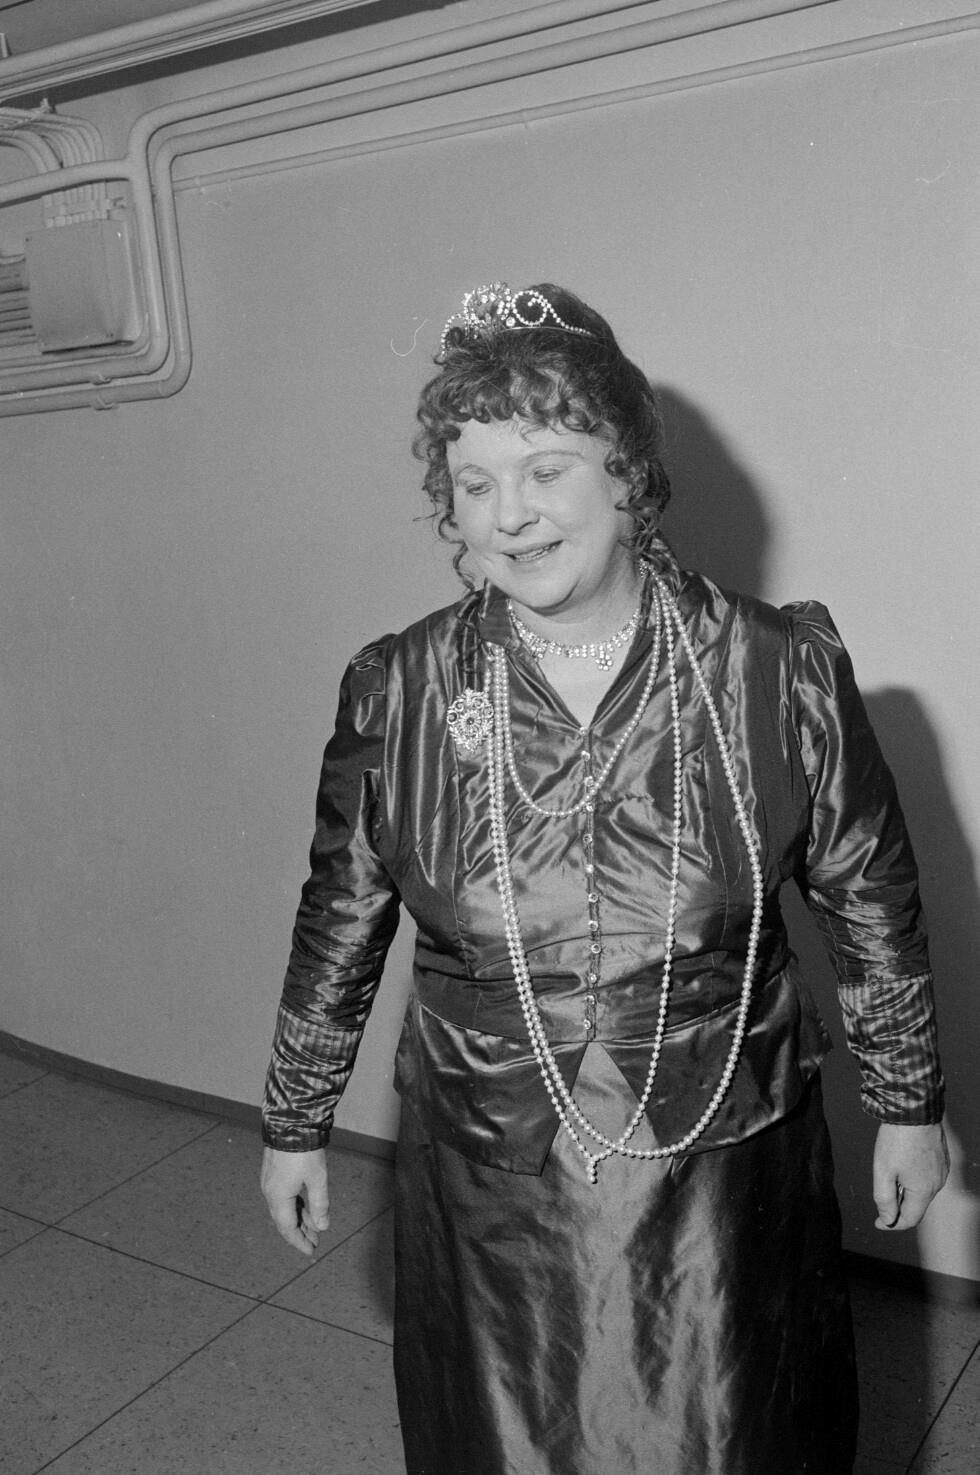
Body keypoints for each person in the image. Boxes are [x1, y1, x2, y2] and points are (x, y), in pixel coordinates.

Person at [260, 281, 948, 1475]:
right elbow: (340, 915)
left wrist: (907, 1101)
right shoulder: (401, 687)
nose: (509, 514)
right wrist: (292, 1122)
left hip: (720, 1180)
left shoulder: (772, 668)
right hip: (490, 1183)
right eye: (473, 483)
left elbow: (867, 896)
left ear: (626, 474)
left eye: (545, 469)